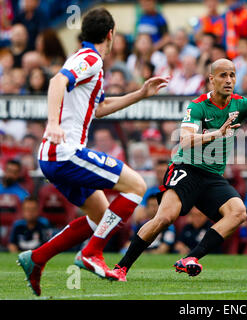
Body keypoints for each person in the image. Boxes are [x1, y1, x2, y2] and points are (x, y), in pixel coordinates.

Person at [111, 58, 247, 281]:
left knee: (238, 212)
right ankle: (121, 267)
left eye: (232, 75)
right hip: (187, 169)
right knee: (165, 218)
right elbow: (184, 139)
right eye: (223, 75)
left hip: (212, 176)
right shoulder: (198, 105)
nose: (229, 80)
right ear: (212, 79)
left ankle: (190, 258)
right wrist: (216, 133)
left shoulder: (241, 104)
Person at [16, 8, 169, 296]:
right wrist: (52, 123)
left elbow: (99, 107)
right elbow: (56, 81)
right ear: (110, 34)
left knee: (101, 216)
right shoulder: (91, 59)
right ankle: (92, 253)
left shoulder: (84, 59)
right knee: (136, 185)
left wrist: (140, 94)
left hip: (53, 156)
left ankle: (36, 258)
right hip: (64, 152)